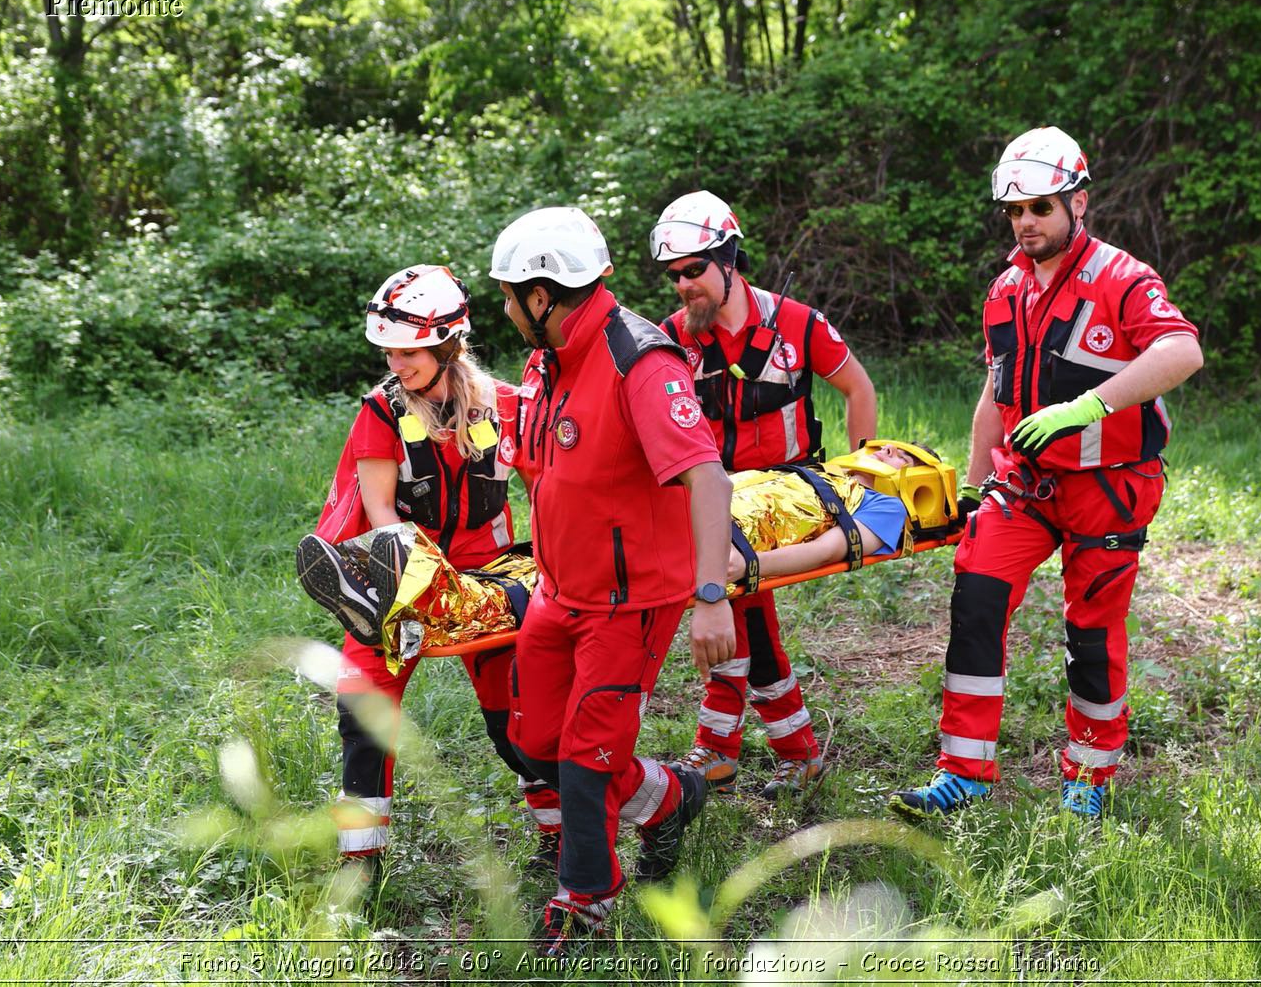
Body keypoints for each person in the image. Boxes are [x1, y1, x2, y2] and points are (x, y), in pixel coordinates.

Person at [889, 126, 1204, 820]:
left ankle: (1090, 778)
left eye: (1039, 208)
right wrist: (971, 490)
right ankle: (963, 773)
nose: (1026, 223)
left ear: (1078, 204)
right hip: (1023, 488)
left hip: (1109, 487)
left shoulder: (1123, 279)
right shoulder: (1004, 291)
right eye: (1014, 211)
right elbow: (992, 399)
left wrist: (1086, 406)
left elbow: (1182, 351)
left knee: (1092, 634)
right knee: (975, 602)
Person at [493, 205, 735, 954]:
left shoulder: (640, 359)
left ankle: (587, 897)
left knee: (586, 756)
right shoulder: (548, 358)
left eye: (508, 293)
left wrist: (710, 597)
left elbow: (707, 477)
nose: (503, 307)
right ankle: (668, 800)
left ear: (542, 295)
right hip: (560, 591)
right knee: (531, 737)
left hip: (632, 602)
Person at [293, 264, 560, 874]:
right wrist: (412, 590)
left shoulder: (507, 404)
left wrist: (549, 569)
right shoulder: (381, 411)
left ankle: (559, 835)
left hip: (489, 578)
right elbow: (382, 511)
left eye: (408, 349)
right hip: (400, 573)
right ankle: (359, 864)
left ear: (447, 343)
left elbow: (544, 490)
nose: (396, 361)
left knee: (516, 719)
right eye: (388, 348)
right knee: (362, 707)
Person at [303, 442, 958, 660]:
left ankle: (417, 600)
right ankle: (392, 591)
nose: (885, 452)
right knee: (552, 552)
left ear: (916, 476)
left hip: (707, 542)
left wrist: (746, 569)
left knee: (563, 580)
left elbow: (835, 551)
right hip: (682, 510)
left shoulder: (881, 506)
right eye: (886, 447)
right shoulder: (819, 471)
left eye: (902, 453)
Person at [652, 189, 878, 798]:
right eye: (673, 275)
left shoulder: (797, 323)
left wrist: (859, 477)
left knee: (733, 592)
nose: (683, 286)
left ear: (729, 261)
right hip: (714, 503)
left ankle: (732, 749)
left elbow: (859, 388)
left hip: (790, 498)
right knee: (738, 600)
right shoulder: (673, 339)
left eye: (694, 271)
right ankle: (774, 748)